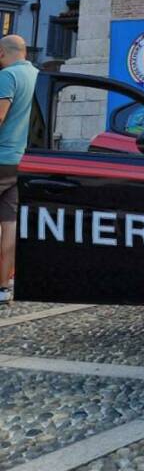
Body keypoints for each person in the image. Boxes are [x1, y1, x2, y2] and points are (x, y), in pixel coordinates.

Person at [0, 35, 39, 304]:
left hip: (1, 157)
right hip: (22, 160)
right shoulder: (38, 75)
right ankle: (4, 287)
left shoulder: (8, 77)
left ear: (3, 52)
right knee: (9, 224)